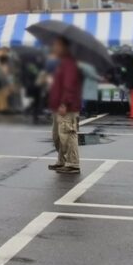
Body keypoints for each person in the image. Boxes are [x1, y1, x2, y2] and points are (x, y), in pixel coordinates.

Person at [46, 37, 83, 175]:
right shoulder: (62, 63)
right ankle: (62, 160)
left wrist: (64, 103)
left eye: (57, 45)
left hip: (67, 106)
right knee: (58, 135)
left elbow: (70, 86)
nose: (54, 48)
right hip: (59, 105)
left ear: (64, 47)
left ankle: (73, 163)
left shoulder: (69, 63)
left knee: (67, 133)